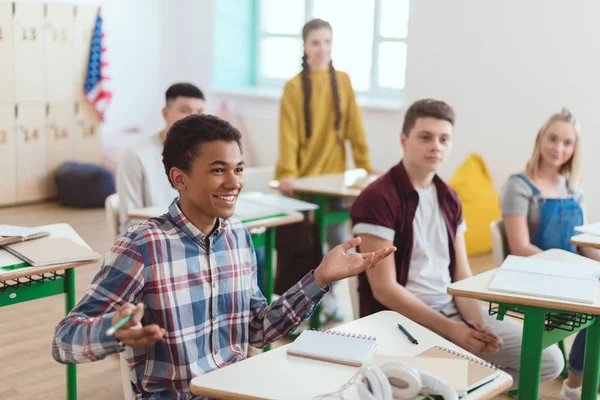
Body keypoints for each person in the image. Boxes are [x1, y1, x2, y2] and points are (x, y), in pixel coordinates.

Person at [52, 114, 395, 400]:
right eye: (218, 170)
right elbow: (64, 341)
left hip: (237, 390)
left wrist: (319, 278)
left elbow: (258, 331)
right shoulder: (142, 246)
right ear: (179, 178)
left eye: (239, 169)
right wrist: (113, 332)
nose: (234, 182)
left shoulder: (237, 236)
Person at [349, 99, 564, 390]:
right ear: (404, 140)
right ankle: (463, 382)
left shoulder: (448, 197)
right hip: (402, 324)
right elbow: (385, 289)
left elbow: (461, 275)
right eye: (425, 137)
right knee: (469, 374)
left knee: (550, 361)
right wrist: (452, 330)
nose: (435, 146)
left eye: (443, 139)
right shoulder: (379, 198)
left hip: (452, 310)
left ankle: (469, 383)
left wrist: (478, 326)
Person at [275, 18, 375, 321]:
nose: (322, 49)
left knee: (337, 242)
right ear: (305, 46)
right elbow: (288, 133)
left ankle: (330, 301)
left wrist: (365, 168)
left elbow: (355, 129)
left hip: (334, 182)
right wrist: (288, 172)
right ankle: (306, 304)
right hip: (303, 182)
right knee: (306, 246)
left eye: (327, 42)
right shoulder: (293, 87)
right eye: (316, 42)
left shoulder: (342, 81)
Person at [500, 108, 600, 399]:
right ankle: (578, 384)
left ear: (574, 149)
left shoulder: (573, 189)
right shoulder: (518, 186)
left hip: (570, 275)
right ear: (540, 139)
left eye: (567, 143)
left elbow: (580, 245)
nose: (558, 148)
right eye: (552, 139)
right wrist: (570, 271)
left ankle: (577, 382)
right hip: (533, 277)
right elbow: (520, 247)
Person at [116, 82, 205, 232]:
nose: (194, 119)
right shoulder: (135, 156)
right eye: (185, 110)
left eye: (200, 112)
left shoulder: (204, 155)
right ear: (166, 113)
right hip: (155, 241)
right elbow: (130, 223)